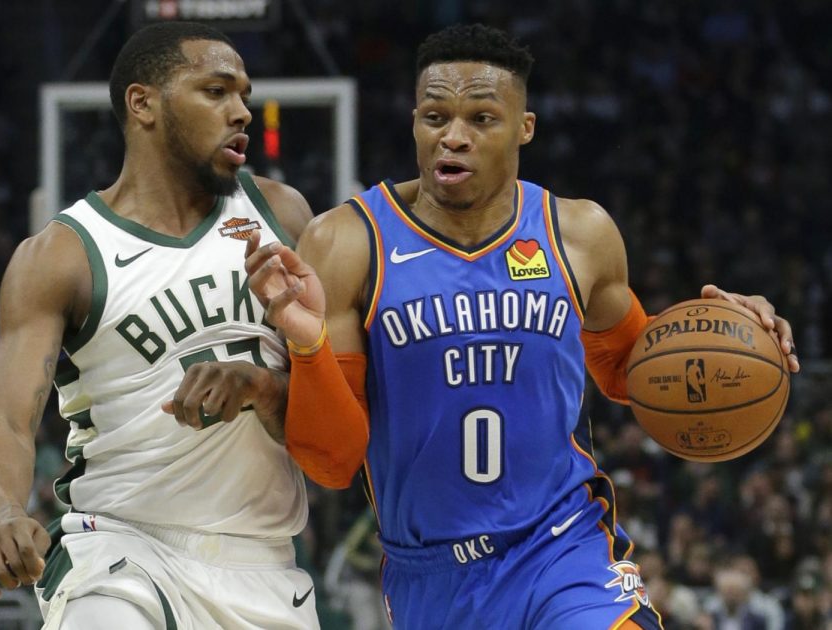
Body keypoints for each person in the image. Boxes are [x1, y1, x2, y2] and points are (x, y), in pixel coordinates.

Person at [246, 23, 800, 629]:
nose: (453, 138)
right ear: (414, 123)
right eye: (435, 117)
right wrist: (308, 347)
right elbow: (331, 463)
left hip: (563, 548)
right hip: (432, 574)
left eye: (482, 119)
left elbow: (630, 371)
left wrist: (731, 332)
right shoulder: (349, 242)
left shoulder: (579, 234)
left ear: (524, 128)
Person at [0, 21, 319, 629]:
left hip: (264, 565)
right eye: (216, 91)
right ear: (142, 102)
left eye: (244, 97)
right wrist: (0, 514)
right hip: (119, 551)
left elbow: (331, 413)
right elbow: (5, 419)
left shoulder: (281, 215)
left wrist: (261, 388)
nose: (241, 113)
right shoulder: (63, 254)